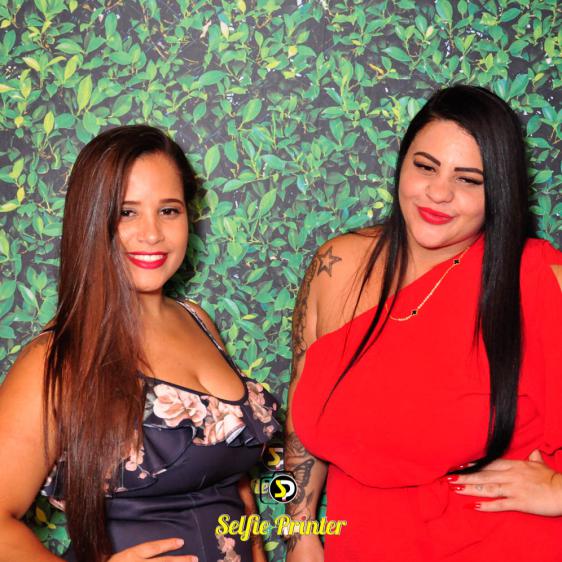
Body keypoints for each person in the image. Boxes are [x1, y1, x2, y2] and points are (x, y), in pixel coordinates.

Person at [285, 85, 562, 561]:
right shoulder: (337, 265)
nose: (438, 192)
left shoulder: (540, 279)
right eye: (426, 166)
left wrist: (557, 491)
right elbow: (299, 425)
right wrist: (298, 534)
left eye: (468, 179)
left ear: (499, 190)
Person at [0, 125, 279, 562]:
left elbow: (228, 471)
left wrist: (256, 550)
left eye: (168, 210)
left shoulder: (197, 319)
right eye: (127, 212)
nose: (152, 234)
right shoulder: (55, 359)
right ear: (91, 219)